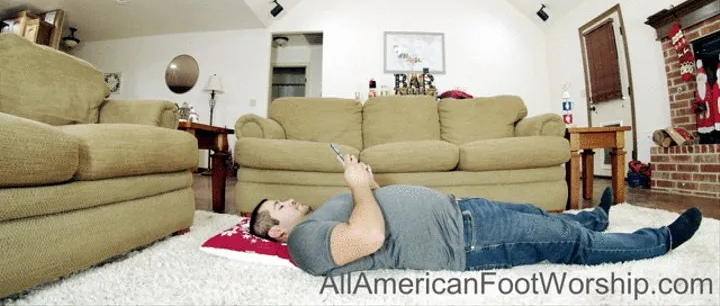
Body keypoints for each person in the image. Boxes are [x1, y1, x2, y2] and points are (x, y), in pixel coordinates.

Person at [249, 155, 703, 276]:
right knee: (562, 243)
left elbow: (376, 213)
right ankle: (657, 240)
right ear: (277, 233)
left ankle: (595, 219)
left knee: (535, 214)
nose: (286, 202)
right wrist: (356, 185)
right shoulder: (304, 245)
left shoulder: (316, 221)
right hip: (463, 244)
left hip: (460, 212)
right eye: (278, 208)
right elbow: (368, 238)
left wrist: (368, 185)